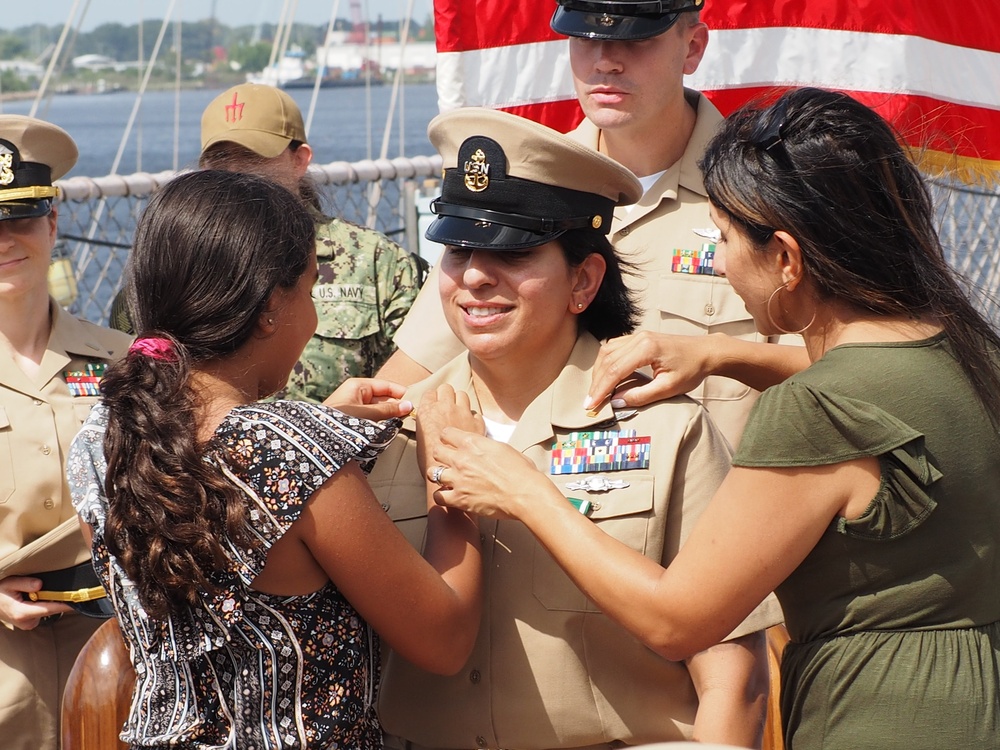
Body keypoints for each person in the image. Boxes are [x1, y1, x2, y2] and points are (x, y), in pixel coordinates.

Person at [425, 88, 1000, 749]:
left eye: (724, 239)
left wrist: (525, 492)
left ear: (785, 259)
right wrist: (721, 352)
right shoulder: (970, 354)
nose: (718, 263)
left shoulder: (814, 415)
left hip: (879, 719)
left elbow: (677, 620)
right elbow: (884, 394)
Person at [368, 107, 782, 750]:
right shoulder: (379, 436)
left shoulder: (668, 429)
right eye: (458, 248)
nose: (476, 274)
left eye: (514, 249)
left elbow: (733, 680)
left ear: (584, 279)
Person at [66, 169, 482, 749]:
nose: (312, 317)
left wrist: (321, 431)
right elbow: (445, 638)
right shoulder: (289, 452)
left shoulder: (102, 435)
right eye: (309, 291)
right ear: (268, 310)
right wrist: (451, 477)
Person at [377, 0, 806, 449]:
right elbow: (406, 381)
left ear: (693, 47)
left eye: (635, 39)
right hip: (527, 501)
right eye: (585, 39)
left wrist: (718, 356)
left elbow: (846, 374)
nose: (605, 62)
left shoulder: (768, 196)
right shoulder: (523, 189)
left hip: (717, 504)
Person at [111, 82, 425, 401]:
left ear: (299, 160)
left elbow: (422, 375)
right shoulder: (174, 269)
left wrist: (336, 429)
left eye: (252, 156)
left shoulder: (376, 263)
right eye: (219, 158)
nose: (234, 171)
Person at [0, 115, 132, 750]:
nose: (5, 241)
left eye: (20, 219)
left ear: (52, 222)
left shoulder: (124, 361)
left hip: (110, 659)